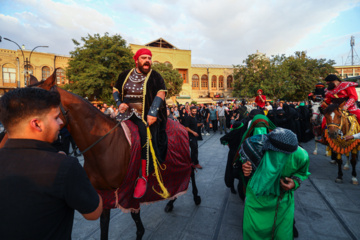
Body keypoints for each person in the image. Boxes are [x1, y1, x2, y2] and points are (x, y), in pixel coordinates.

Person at [0, 88, 102, 240]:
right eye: (55, 118)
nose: (61, 122)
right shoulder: (64, 167)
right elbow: (94, 213)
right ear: (37, 124)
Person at [112, 48, 168, 198]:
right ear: (136, 60)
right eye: (144, 58)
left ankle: (143, 176)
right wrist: (119, 103)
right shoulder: (125, 74)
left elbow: (161, 93)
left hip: (145, 115)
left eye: (149, 58)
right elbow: (115, 89)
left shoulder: (155, 76)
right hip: (125, 113)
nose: (147, 61)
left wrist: (153, 112)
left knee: (144, 137)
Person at [241, 128, 310, 240]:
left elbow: (302, 172)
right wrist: (245, 168)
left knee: (283, 235)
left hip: (283, 204)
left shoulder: (301, 155)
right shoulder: (257, 147)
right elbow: (244, 162)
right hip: (256, 202)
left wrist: (294, 182)